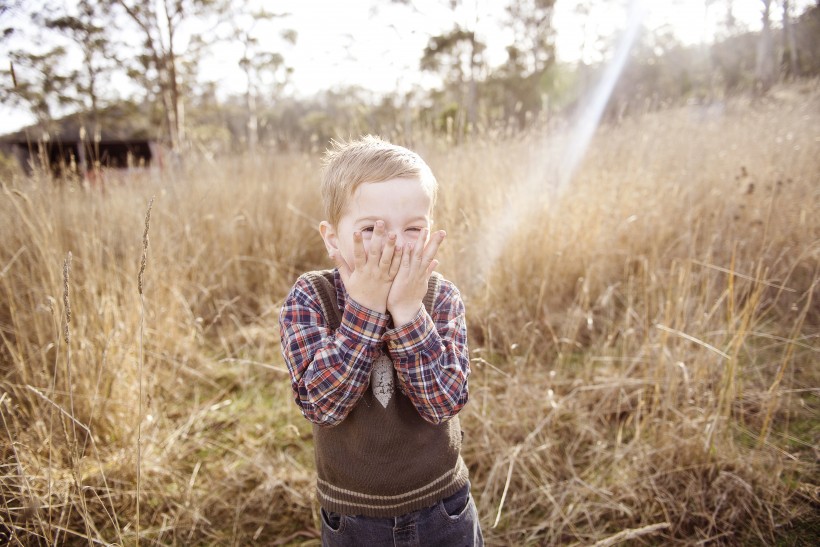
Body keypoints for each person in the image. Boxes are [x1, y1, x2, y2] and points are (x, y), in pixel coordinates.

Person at [279, 135, 483, 546]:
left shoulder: (440, 297)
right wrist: (366, 310)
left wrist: (408, 312)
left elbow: (444, 401)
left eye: (413, 228)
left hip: (443, 506)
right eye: (371, 228)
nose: (393, 243)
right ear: (332, 238)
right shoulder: (310, 298)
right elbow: (323, 405)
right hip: (355, 518)